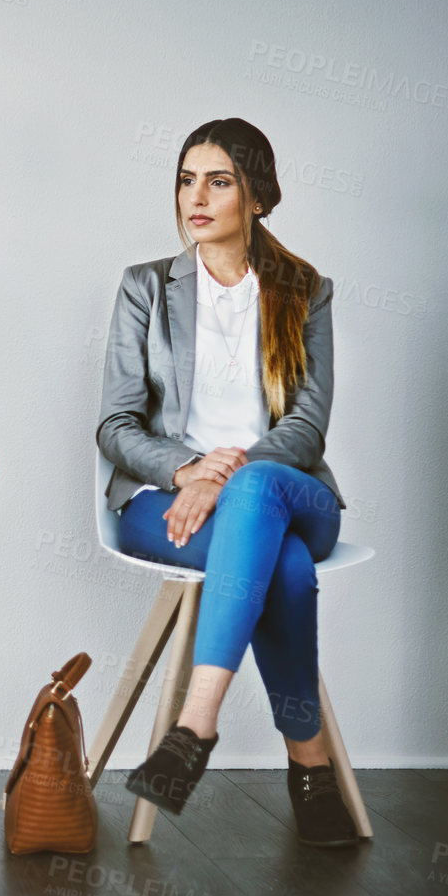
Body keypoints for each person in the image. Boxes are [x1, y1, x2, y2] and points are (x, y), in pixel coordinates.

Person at [98, 117, 358, 847]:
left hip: (291, 491)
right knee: (287, 566)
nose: (197, 197)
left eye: (219, 180)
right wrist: (186, 469)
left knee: (256, 501)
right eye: (187, 179)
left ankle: (193, 725)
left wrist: (228, 473)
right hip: (166, 500)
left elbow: (307, 425)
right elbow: (116, 424)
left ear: (259, 196)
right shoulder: (145, 288)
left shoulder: (306, 290)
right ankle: (310, 766)